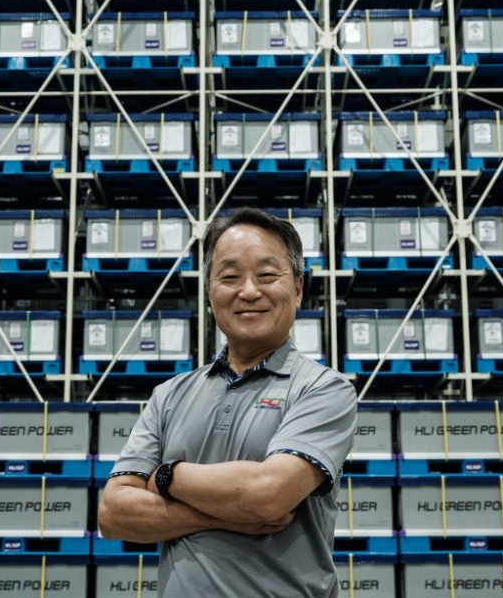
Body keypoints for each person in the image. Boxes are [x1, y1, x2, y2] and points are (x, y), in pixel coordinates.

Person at [98, 206, 358, 597]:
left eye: (268, 275)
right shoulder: (169, 395)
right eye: (230, 277)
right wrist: (231, 516)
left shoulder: (323, 389)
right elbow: (114, 514)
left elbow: (269, 495)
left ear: (299, 287)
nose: (249, 291)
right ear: (209, 291)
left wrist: (168, 476)